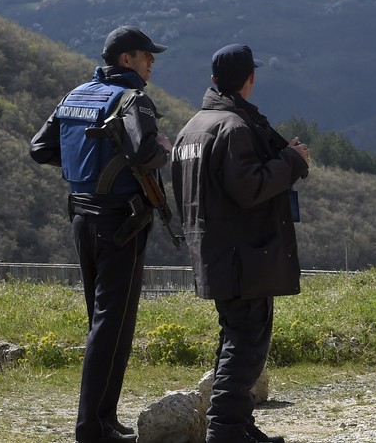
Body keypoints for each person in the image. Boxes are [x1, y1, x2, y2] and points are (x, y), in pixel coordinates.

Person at [30, 25, 172, 443]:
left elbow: (40, 148)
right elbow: (147, 153)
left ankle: (104, 421)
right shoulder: (132, 99)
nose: (152, 62)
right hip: (121, 222)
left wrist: (87, 166)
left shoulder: (75, 96)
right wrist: (163, 147)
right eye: (146, 55)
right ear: (125, 60)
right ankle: (93, 427)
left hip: (82, 216)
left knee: (101, 322)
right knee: (114, 323)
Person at [170, 44, 310, 443]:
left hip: (214, 252)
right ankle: (227, 431)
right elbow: (250, 187)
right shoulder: (233, 127)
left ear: (214, 80)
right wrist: (293, 160)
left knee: (233, 339)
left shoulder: (191, 128)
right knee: (246, 345)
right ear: (250, 80)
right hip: (244, 254)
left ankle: (238, 424)